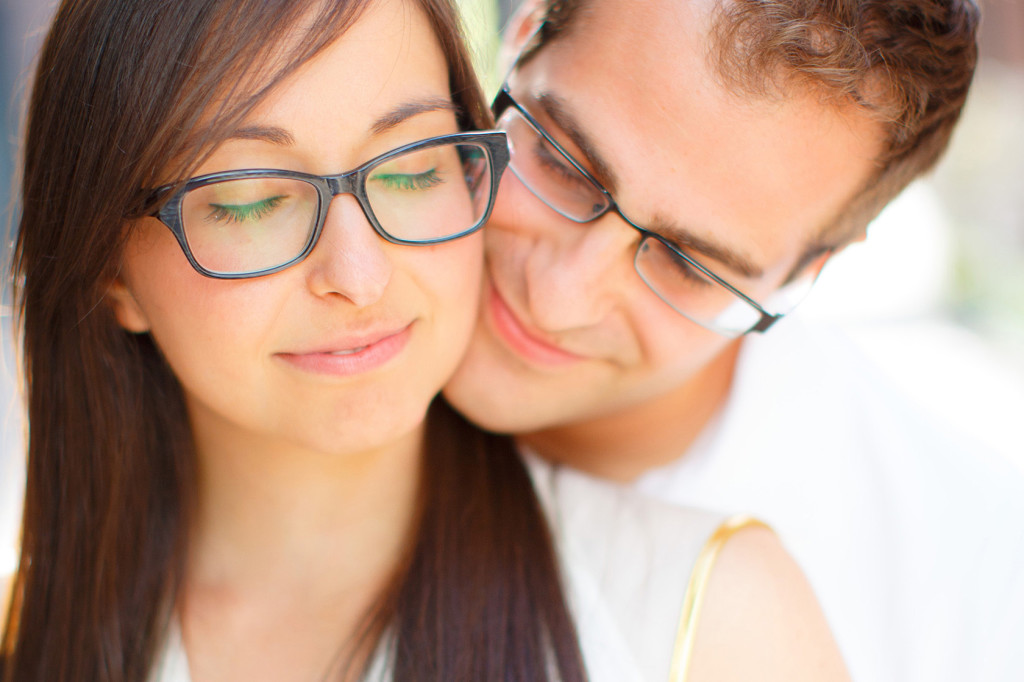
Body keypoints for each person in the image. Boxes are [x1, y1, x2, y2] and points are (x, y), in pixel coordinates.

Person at [0, 0, 851, 681]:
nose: (360, 276)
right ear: (112, 267)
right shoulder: (31, 638)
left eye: (412, 170)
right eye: (254, 197)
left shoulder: (704, 622)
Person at [443, 1, 1024, 681]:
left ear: (811, 270)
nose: (559, 297)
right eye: (564, 163)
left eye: (687, 264)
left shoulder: (969, 603)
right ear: (522, 34)